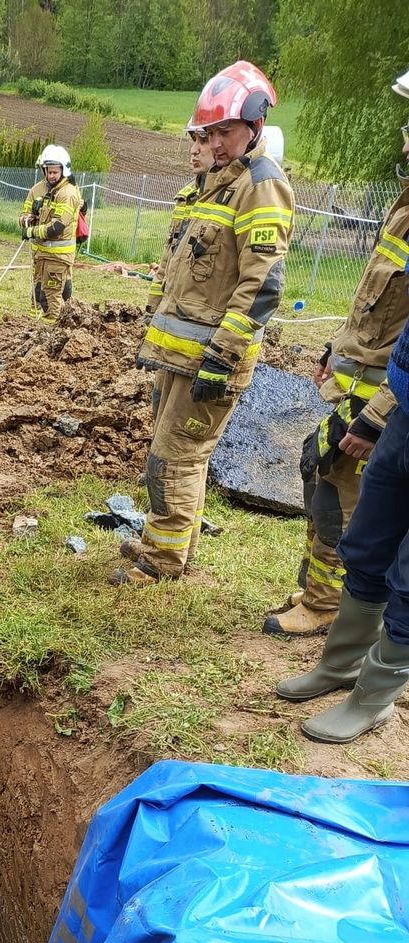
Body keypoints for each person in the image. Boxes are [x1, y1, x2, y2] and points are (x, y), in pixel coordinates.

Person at [112, 62, 294, 586]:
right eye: (210, 132)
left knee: (176, 456)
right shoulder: (217, 181)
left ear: (255, 125)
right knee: (171, 454)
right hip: (178, 351)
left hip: (212, 357)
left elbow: (263, 285)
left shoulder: (261, 186)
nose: (213, 143)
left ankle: (164, 562)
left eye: (224, 132)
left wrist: (223, 354)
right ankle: (166, 544)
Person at [264, 86, 409, 637]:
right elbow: (380, 303)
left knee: (342, 486)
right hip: (364, 380)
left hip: (388, 396)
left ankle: (332, 604)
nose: (406, 142)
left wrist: (379, 414)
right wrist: (337, 344)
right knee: (322, 466)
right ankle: (322, 594)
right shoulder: (405, 206)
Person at [273, 305, 409, 744]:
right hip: (405, 410)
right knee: (367, 542)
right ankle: (342, 663)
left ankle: (374, 700)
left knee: (408, 579)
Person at [145, 129, 214, 318]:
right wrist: (151, 310)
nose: (194, 150)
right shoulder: (187, 197)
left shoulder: (234, 201)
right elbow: (168, 259)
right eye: (194, 141)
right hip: (169, 315)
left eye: (204, 141)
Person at [19, 144, 83, 322]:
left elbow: (57, 228)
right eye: (48, 171)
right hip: (40, 256)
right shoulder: (37, 190)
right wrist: (28, 218)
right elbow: (22, 216)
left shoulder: (68, 193)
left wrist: (31, 230)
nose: (51, 175)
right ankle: (31, 326)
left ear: (64, 170)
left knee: (51, 299)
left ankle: (50, 335)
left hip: (58, 257)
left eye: (55, 172)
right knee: (37, 292)